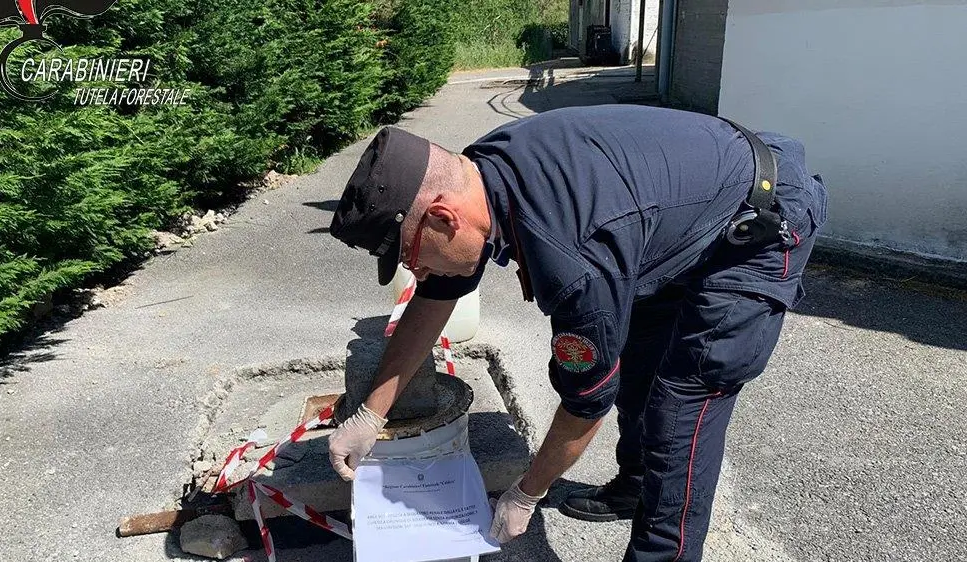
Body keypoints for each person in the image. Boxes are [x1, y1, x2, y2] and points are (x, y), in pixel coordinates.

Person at [327, 104, 828, 561]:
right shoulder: (477, 177)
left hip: (758, 221)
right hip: (673, 217)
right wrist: (371, 413)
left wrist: (527, 492)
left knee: (682, 404)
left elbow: (586, 403)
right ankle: (637, 484)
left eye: (411, 256)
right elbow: (435, 297)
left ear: (443, 217)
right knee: (639, 359)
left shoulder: (575, 257)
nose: (415, 271)